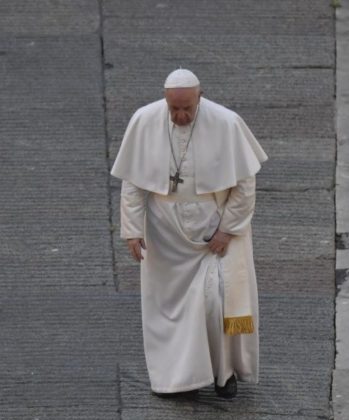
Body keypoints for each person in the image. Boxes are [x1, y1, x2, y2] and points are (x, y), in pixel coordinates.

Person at [113, 69, 267, 399]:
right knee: (169, 310)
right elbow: (134, 183)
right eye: (174, 110)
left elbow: (245, 184)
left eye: (187, 109)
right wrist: (131, 230)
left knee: (215, 302)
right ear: (165, 101)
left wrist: (227, 229)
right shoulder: (144, 120)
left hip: (213, 232)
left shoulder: (226, 123)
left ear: (200, 97)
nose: (180, 116)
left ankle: (224, 374)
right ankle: (179, 380)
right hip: (165, 235)